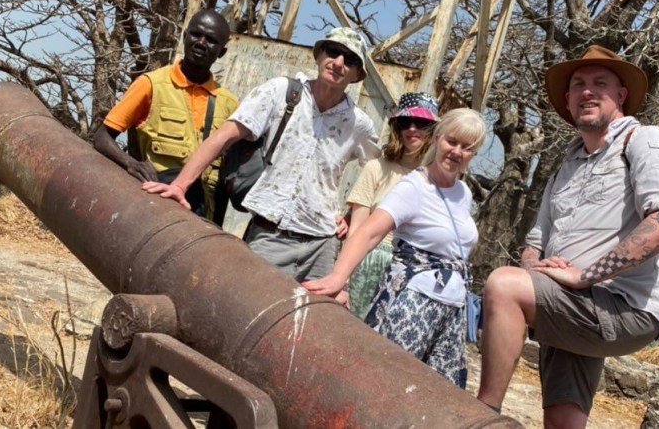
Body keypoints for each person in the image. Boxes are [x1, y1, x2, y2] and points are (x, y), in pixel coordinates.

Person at [476, 45, 659, 428]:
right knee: (562, 420)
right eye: (578, 85)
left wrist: (583, 275)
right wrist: (539, 269)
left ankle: (481, 416)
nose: (587, 92)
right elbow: (534, 243)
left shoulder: (646, 140)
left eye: (600, 83)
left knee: (503, 286)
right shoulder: (564, 168)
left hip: (623, 305)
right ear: (568, 101)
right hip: (572, 302)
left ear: (620, 96)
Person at [143, 26, 380, 282]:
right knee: (246, 306)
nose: (339, 62)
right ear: (320, 54)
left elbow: (378, 173)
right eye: (334, 51)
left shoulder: (359, 123)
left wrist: (349, 215)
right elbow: (225, 136)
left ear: (357, 74)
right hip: (270, 234)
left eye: (351, 59)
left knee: (309, 319)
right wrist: (180, 185)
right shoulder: (281, 92)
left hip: (322, 243)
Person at [304, 108, 487, 387]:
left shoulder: (464, 193)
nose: (457, 151)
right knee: (386, 384)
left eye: (467, 147)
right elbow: (368, 232)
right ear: (437, 138)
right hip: (414, 303)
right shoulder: (415, 186)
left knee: (438, 395)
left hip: (452, 310)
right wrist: (337, 278)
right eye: (452, 141)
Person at [94, 9, 238, 223]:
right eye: (196, 34)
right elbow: (102, 137)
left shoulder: (229, 103)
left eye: (210, 40)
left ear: (221, 52)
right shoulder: (151, 84)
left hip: (201, 216)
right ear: (184, 36)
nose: (200, 43)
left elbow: (228, 174)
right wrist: (130, 163)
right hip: (155, 208)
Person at [343, 93, 439, 319]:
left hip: (412, 271)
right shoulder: (376, 168)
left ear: (434, 130)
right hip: (370, 260)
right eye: (405, 122)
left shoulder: (437, 180)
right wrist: (344, 279)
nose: (412, 129)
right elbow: (356, 229)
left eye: (422, 123)